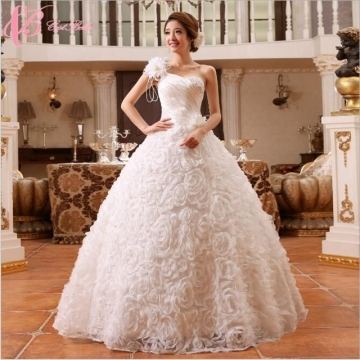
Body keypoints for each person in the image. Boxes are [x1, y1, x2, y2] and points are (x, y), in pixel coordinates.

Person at [53, 11, 308, 355]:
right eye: (167, 32)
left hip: (200, 146)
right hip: (162, 147)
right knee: (153, 223)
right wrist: (147, 128)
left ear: (191, 35)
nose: (171, 38)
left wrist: (200, 133)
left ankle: (216, 313)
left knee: (210, 222)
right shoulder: (158, 68)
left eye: (177, 32)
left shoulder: (205, 71)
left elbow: (215, 113)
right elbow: (128, 102)